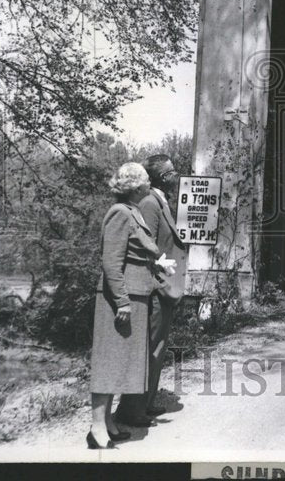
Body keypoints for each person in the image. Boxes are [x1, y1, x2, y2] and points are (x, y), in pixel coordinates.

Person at [88, 162, 176, 449]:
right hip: (120, 300)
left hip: (136, 297)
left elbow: (139, 253)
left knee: (120, 363)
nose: (150, 184)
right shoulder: (119, 213)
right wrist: (122, 302)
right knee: (108, 362)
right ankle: (97, 426)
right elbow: (111, 263)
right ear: (136, 186)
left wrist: (158, 264)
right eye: (146, 180)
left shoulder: (133, 211)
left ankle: (108, 422)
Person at [116, 154, 187, 426]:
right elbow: (146, 248)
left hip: (164, 288)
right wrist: (158, 283)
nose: (176, 175)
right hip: (155, 289)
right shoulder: (149, 203)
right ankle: (131, 410)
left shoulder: (160, 201)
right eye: (172, 172)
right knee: (147, 348)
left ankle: (145, 403)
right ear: (163, 177)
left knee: (157, 347)